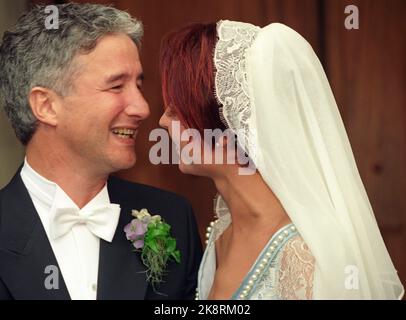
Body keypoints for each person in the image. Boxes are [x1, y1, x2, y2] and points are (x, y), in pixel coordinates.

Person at [159, 20, 404, 299]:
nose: (163, 121)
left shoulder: (308, 255)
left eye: (176, 110)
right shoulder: (221, 233)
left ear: (229, 125)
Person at [0, 3, 202, 300]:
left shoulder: (173, 218)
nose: (142, 108)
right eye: (116, 86)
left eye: (138, 85)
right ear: (46, 106)